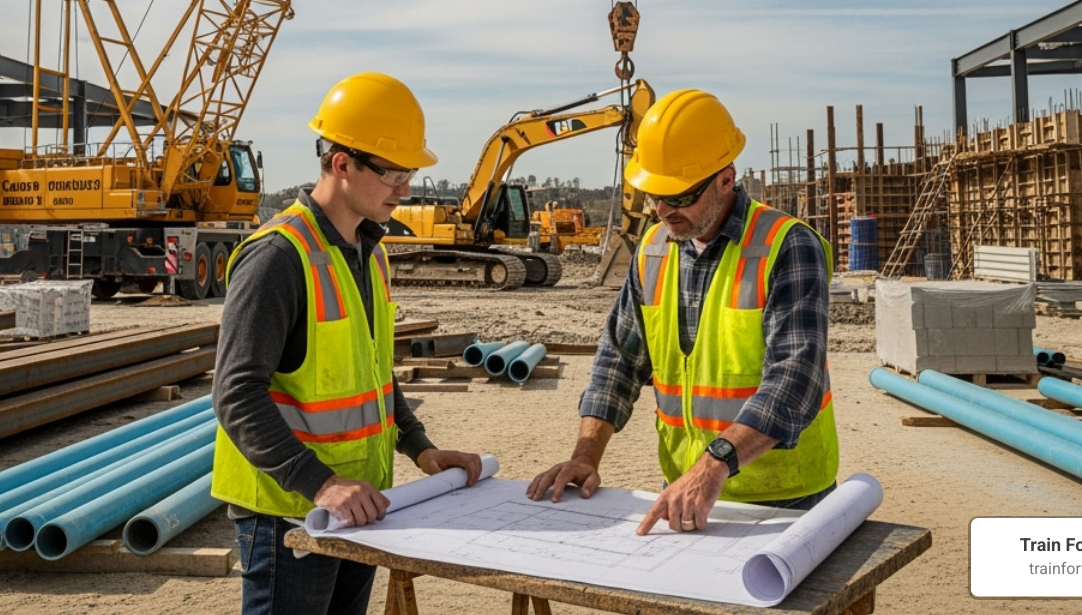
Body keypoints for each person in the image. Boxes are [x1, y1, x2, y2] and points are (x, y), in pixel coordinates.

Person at [213, 71, 483, 615]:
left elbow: (374, 374)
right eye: (394, 173)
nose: (405, 189)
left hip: (357, 505)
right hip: (290, 514)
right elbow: (236, 394)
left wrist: (421, 448)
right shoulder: (278, 257)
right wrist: (319, 484)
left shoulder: (369, 253)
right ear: (343, 164)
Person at [527, 88, 838, 534]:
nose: (662, 210)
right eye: (655, 194)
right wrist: (585, 457)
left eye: (679, 196)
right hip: (688, 490)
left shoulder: (787, 245)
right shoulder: (653, 250)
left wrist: (715, 463)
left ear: (726, 180)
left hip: (785, 499)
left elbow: (795, 380)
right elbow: (618, 361)